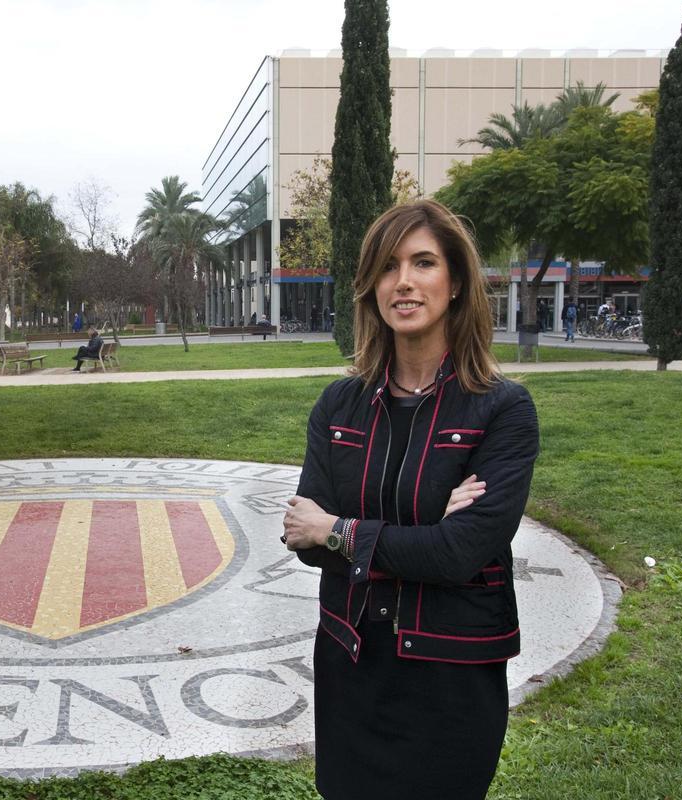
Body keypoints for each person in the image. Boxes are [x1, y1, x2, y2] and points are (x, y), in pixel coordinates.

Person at [281, 199, 539, 799]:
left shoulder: (501, 409)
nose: (404, 281)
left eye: (423, 263)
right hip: (351, 661)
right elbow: (302, 540)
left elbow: (459, 554)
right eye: (389, 266)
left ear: (454, 283)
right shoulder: (338, 406)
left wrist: (339, 530)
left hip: (450, 672)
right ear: (371, 287)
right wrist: (424, 530)